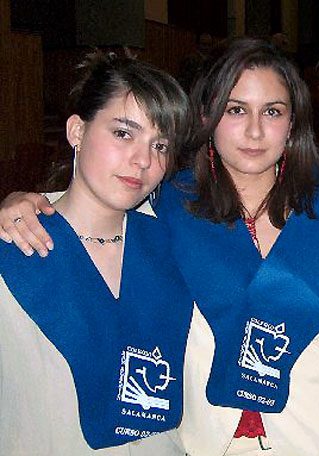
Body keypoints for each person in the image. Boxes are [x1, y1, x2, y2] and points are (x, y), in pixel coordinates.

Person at [0, 38, 319, 456]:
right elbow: (97, 200)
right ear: (209, 117)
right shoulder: (169, 209)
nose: (254, 130)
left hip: (310, 439)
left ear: (292, 124)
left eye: (272, 111)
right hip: (199, 442)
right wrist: (24, 202)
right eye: (236, 110)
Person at [0, 51, 194, 455]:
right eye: (124, 133)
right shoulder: (14, 245)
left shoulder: (174, 247)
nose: (143, 160)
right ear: (76, 131)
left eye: (160, 145)